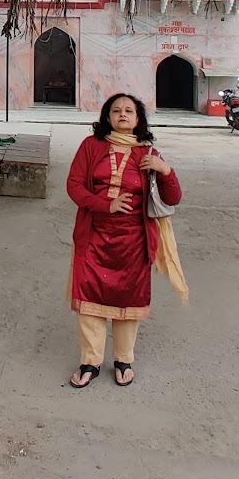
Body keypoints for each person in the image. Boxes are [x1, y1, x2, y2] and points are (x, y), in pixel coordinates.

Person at [64, 92, 188, 388]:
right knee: (89, 297)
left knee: (127, 300)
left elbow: (173, 199)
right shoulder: (90, 146)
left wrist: (166, 171)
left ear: (138, 119)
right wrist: (105, 204)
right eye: (116, 110)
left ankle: (123, 359)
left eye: (129, 111)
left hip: (134, 241)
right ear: (107, 117)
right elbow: (74, 185)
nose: (122, 114)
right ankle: (90, 362)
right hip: (93, 235)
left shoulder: (148, 155)